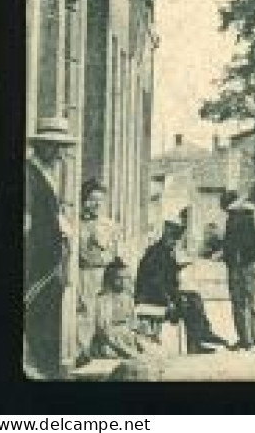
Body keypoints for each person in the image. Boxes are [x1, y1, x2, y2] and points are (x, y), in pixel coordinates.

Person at [23, 119, 76, 379]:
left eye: (61, 147)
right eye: (54, 147)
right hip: (38, 260)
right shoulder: (29, 174)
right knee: (38, 314)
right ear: (41, 146)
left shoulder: (46, 174)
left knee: (50, 315)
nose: (59, 153)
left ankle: (49, 368)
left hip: (52, 258)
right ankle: (41, 369)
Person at [136, 213, 229, 354]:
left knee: (194, 297)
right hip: (151, 297)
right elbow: (155, 283)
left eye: (176, 241)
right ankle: (197, 341)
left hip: (161, 293)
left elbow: (166, 275)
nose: (174, 244)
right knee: (187, 303)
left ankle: (202, 336)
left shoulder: (163, 251)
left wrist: (177, 267)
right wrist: (169, 302)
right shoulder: (155, 253)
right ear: (165, 237)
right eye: (172, 240)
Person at [220, 190, 255, 353]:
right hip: (235, 266)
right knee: (238, 303)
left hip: (251, 264)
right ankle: (245, 340)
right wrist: (226, 258)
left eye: (229, 208)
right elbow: (228, 242)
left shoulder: (253, 216)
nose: (229, 211)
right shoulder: (231, 218)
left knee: (254, 301)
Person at [76, 178, 120, 345]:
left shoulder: (108, 225)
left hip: (101, 272)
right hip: (80, 272)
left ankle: (95, 346)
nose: (95, 204)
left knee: (100, 311)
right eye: (91, 200)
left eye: (99, 200)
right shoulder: (76, 222)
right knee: (82, 310)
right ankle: (81, 348)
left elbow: (113, 252)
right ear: (83, 200)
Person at [85, 258, 152, 361]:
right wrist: (127, 351)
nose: (124, 282)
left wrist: (142, 330)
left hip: (127, 340)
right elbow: (104, 332)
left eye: (126, 278)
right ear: (110, 278)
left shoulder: (128, 298)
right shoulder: (103, 299)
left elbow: (132, 324)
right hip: (109, 344)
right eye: (119, 278)